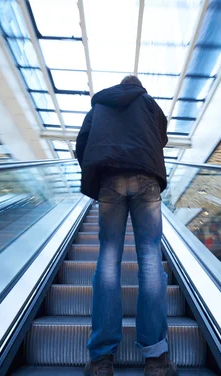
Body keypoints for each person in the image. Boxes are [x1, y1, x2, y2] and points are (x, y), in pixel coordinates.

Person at [76, 75, 177, 376]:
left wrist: (97, 167)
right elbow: (161, 137)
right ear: (139, 86)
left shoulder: (100, 106)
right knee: (149, 259)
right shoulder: (148, 103)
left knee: (107, 259)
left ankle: (101, 360)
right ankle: (156, 360)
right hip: (147, 179)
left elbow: (82, 143)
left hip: (110, 179)